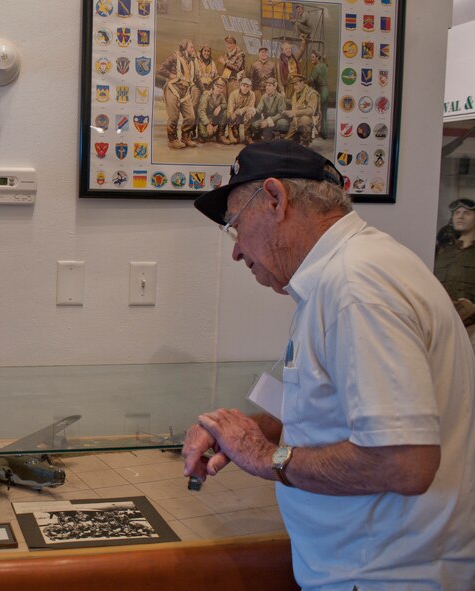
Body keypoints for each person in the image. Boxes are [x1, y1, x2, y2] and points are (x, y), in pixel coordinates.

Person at [185, 139, 475, 589]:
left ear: (277, 200)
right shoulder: (347, 273)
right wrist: (257, 429)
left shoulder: (356, 285)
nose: (237, 251)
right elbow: (346, 414)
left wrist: (266, 456)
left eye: (235, 225)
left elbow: (405, 463)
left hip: (387, 576)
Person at [434, 197, 475, 335]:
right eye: (457, 213)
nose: (460, 217)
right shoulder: (440, 251)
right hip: (440, 320)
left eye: (467, 213)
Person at [158, 38, 199, 149]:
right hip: (173, 88)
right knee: (174, 116)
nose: (193, 49)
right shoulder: (174, 57)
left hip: (185, 91)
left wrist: (204, 89)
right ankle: (172, 140)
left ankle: (185, 137)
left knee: (191, 117)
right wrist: (171, 75)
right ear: (184, 47)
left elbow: (196, 77)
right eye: (191, 47)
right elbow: (161, 69)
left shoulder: (192, 61)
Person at [283, 73, 319, 147]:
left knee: (304, 120)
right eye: (294, 85)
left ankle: (305, 142)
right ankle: (297, 138)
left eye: (296, 84)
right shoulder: (297, 93)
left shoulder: (312, 94)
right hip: (296, 120)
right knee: (286, 141)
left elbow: (311, 111)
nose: (294, 87)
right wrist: (283, 99)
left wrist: (294, 113)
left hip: (309, 120)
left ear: (302, 83)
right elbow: (295, 103)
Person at [249, 77, 289, 142]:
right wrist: (252, 112)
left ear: (275, 86)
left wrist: (268, 121)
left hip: (277, 120)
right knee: (254, 125)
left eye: (269, 85)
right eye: (266, 85)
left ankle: (280, 136)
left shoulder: (280, 97)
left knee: (283, 123)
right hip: (266, 120)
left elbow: (281, 113)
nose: (267, 88)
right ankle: (262, 136)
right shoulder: (264, 97)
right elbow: (259, 109)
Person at [197, 77, 230, 144]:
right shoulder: (206, 96)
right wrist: (208, 124)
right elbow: (201, 112)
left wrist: (220, 106)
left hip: (214, 118)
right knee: (205, 135)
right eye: (217, 87)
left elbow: (225, 104)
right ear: (213, 86)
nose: (219, 89)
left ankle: (220, 135)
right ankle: (204, 134)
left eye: (221, 88)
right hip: (205, 119)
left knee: (225, 112)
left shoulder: (221, 96)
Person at [224, 77, 255, 145]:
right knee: (235, 140)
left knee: (251, 111)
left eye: (247, 86)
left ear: (250, 88)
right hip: (234, 116)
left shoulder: (252, 94)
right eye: (244, 85)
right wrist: (232, 115)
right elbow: (230, 108)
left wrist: (240, 111)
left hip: (244, 115)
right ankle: (233, 131)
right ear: (240, 85)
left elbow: (250, 106)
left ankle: (247, 135)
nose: (245, 88)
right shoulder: (233, 94)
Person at [306, 49, 329, 138]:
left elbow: (311, 80)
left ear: (317, 58)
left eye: (313, 57)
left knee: (315, 112)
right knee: (324, 112)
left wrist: (303, 81)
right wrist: (325, 59)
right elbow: (326, 64)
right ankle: (324, 133)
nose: (311, 59)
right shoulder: (324, 65)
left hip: (320, 91)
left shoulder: (316, 68)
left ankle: (313, 132)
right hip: (326, 91)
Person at [278, 35, 307, 99]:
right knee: (288, 101)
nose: (288, 50)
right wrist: (282, 91)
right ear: (282, 51)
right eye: (286, 49)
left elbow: (301, 51)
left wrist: (303, 42)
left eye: (289, 48)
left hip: (297, 84)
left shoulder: (294, 57)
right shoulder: (280, 63)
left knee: (297, 101)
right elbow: (280, 78)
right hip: (288, 86)